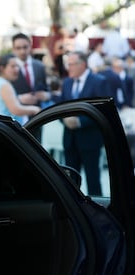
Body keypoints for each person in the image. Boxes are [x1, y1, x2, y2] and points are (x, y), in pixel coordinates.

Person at [59, 51, 112, 196]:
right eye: (67, 64)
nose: (68, 68)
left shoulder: (99, 81)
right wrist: (64, 119)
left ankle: (98, 213)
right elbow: (59, 106)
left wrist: (80, 122)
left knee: (93, 180)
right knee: (70, 182)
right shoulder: (67, 82)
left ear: (82, 64)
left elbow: (104, 111)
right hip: (70, 139)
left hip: (90, 139)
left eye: (71, 64)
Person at [0, 53, 41, 125]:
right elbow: (16, 109)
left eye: (17, 66)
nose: (16, 69)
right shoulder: (4, 85)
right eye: (13, 66)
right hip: (4, 131)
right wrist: (35, 110)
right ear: (2, 68)